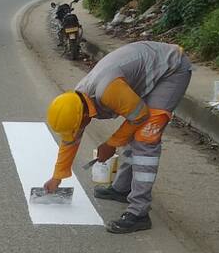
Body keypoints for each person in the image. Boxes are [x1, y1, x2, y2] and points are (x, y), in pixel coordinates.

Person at [42, 41, 193, 234]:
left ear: (84, 116)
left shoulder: (108, 91)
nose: (78, 131)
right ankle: (122, 188)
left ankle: (139, 213)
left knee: (145, 138)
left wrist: (111, 143)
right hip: (147, 65)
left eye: (78, 127)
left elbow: (140, 116)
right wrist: (57, 177)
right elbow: (70, 140)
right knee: (132, 131)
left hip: (171, 70)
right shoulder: (76, 101)